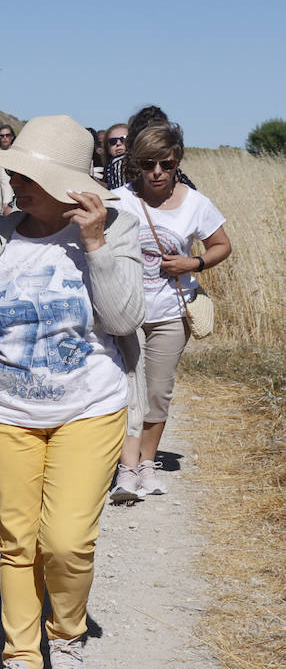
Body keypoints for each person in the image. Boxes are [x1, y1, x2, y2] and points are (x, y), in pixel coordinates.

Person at [0, 114, 145, 669]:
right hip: (4, 408)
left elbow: (123, 318)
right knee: (17, 539)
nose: (17, 186)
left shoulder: (117, 228)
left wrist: (97, 242)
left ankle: (69, 642)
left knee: (66, 539)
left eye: (31, 177)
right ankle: (22, 659)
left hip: (89, 406)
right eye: (15, 175)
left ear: (68, 184)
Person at [109, 123, 231, 501]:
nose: (157, 172)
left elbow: (221, 245)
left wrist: (191, 264)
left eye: (166, 163)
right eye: (148, 164)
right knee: (128, 391)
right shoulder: (118, 200)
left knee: (158, 392)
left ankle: (148, 463)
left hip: (170, 313)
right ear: (136, 164)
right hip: (125, 314)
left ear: (177, 161)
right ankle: (126, 470)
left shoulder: (196, 203)